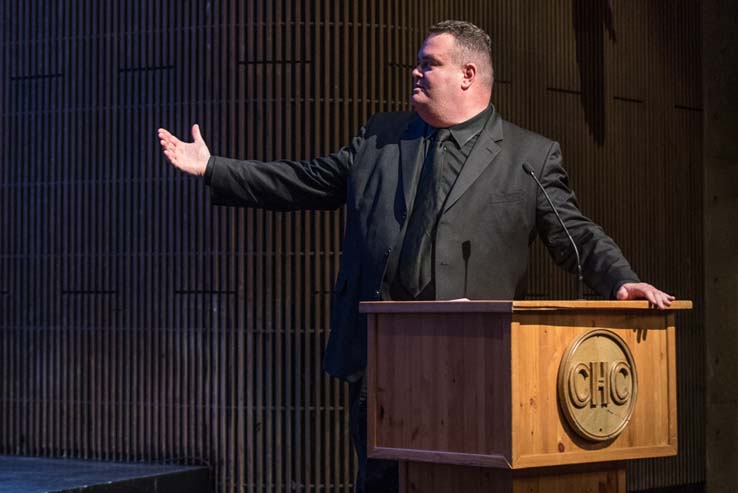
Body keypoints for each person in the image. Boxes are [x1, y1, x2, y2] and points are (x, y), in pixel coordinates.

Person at [158, 20, 674, 493]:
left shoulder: (528, 158)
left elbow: (574, 233)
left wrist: (619, 280)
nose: (415, 70)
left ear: (469, 75)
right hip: (381, 365)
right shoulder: (380, 139)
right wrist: (214, 168)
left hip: (475, 370)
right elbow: (304, 181)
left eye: (430, 63)